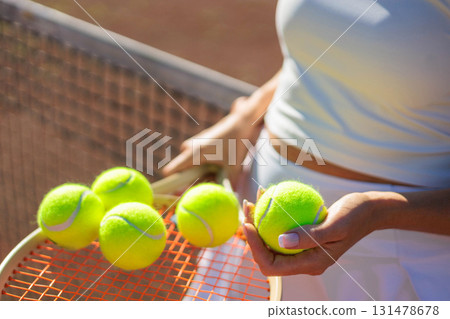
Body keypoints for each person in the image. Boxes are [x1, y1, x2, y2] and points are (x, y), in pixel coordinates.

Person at [163, 0, 450, 300]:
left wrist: (379, 211)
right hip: (254, 219)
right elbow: (315, 55)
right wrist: (243, 121)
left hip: (393, 258)